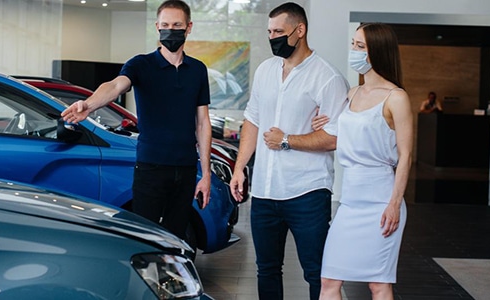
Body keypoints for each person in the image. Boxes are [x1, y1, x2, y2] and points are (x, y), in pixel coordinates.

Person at [61, 0, 212, 241]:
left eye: (176, 25)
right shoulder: (141, 64)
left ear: (189, 27)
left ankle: (171, 279)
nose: (170, 30)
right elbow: (115, 85)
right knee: (145, 237)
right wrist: (89, 104)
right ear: (157, 27)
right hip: (150, 168)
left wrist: (206, 174)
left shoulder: (197, 70)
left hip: (185, 170)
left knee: (176, 240)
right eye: (165, 25)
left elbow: (203, 123)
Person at [228, 2, 349, 300]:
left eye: (279, 31)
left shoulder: (328, 77)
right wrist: (240, 167)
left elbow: (334, 137)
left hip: (307, 192)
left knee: (317, 272)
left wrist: (287, 140)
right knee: (266, 270)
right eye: (270, 32)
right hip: (266, 193)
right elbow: (252, 120)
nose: (273, 37)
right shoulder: (265, 70)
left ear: (300, 30)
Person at [314, 23, 413, 300]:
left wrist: (394, 203)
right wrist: (323, 121)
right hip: (350, 202)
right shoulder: (352, 94)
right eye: (353, 45)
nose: (353, 52)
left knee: (378, 284)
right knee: (329, 281)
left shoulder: (397, 98)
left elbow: (405, 155)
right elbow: (342, 131)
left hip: (381, 200)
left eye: (360, 47)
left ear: (377, 52)